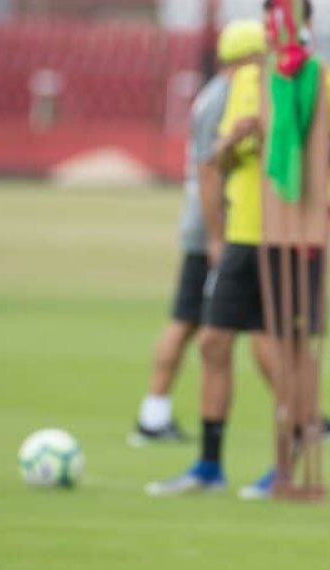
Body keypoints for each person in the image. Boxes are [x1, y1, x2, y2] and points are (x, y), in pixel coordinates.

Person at [146, 0, 330, 499]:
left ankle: (284, 466)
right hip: (244, 230)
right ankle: (208, 464)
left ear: (305, 23)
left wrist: (317, 164)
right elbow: (216, 158)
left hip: (295, 231)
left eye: (284, 17)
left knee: (287, 351)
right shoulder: (247, 82)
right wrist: (236, 143)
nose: (275, 28)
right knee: (214, 342)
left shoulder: (328, 82)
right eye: (270, 19)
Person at [129, 20, 267, 446]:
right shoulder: (226, 97)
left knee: (188, 321)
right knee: (211, 323)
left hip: (207, 223)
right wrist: (216, 238)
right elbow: (210, 170)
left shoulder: (211, 94)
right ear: (248, 57)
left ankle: (153, 415)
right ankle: (302, 421)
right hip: (215, 226)